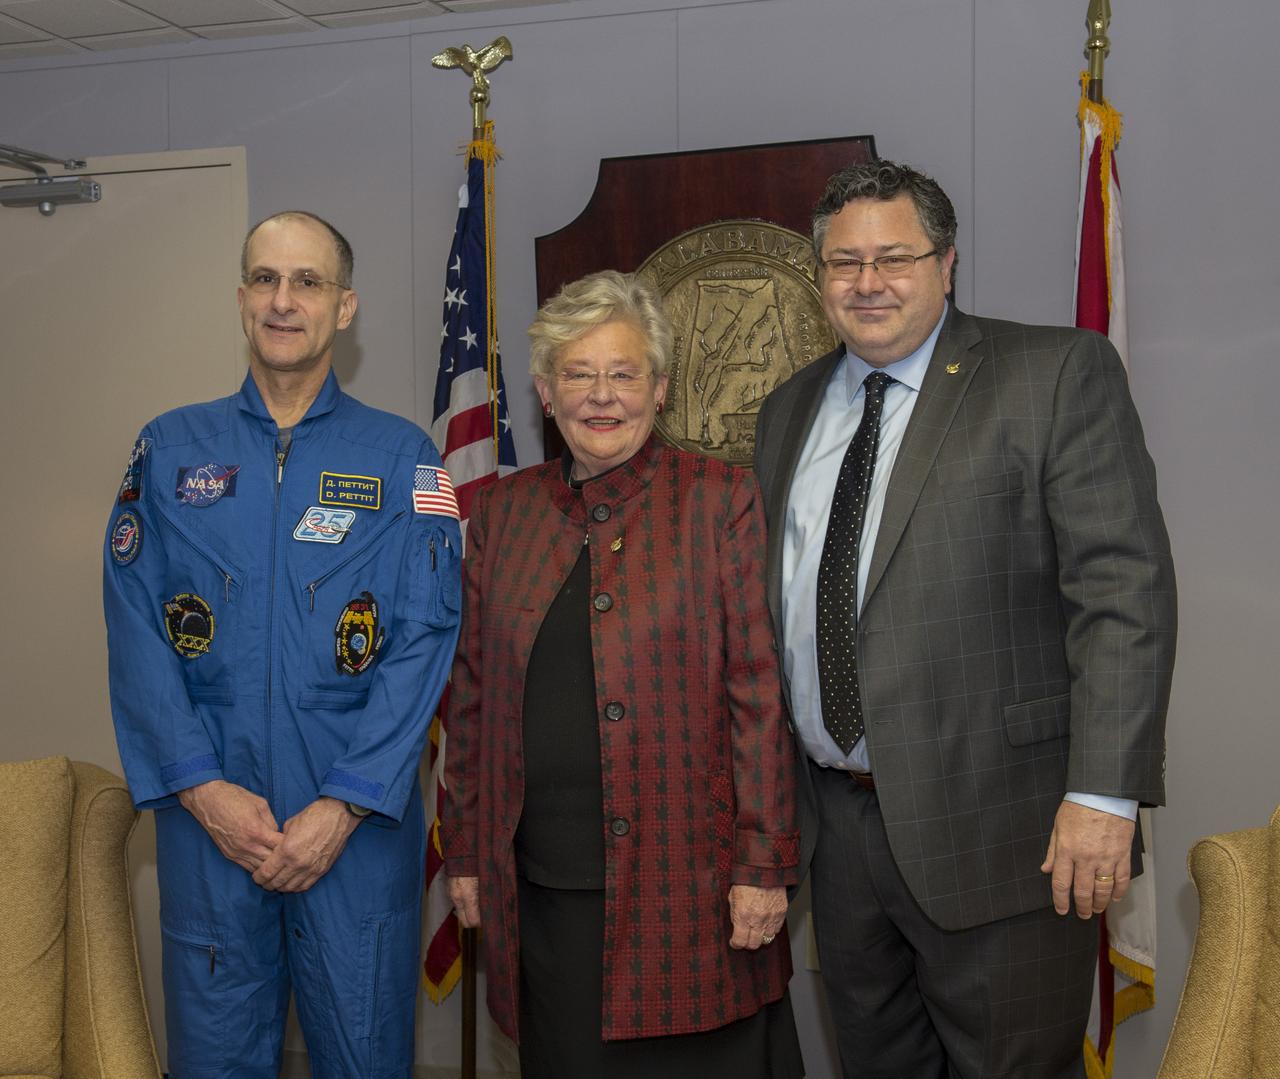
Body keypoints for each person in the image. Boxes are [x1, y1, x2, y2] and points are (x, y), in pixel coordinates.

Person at [753, 161, 1176, 1078]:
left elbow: (1123, 591)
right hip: (840, 829)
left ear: (947, 263)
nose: (867, 282)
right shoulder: (787, 411)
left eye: (893, 257)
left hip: (1008, 831)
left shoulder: (1051, 373)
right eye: (842, 262)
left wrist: (1103, 794)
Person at [103, 210, 462, 1077]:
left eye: (307, 282)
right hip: (212, 819)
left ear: (345, 308)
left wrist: (343, 805)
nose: (283, 300)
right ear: (240, 298)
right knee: (216, 1059)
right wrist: (199, 788)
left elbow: (426, 637)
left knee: (364, 1056)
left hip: (354, 822)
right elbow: (135, 626)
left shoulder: (404, 458)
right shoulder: (168, 449)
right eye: (265, 279)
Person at [442, 270, 804, 1078]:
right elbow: (469, 696)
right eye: (578, 373)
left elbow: (758, 695)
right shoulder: (503, 514)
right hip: (545, 894)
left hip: (694, 896)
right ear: (544, 389)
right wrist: (463, 847)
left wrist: (762, 865)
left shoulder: (719, 502)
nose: (601, 396)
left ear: (660, 387)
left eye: (624, 373)